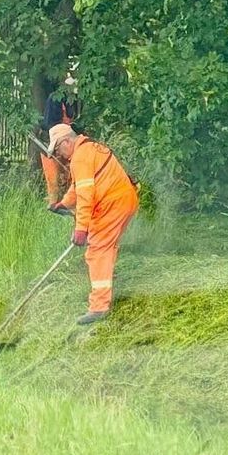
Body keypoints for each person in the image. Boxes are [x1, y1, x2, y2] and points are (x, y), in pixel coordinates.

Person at [46, 124, 139, 325]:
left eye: (58, 150)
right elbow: (78, 186)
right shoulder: (88, 148)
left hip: (112, 204)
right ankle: (103, 291)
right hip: (124, 200)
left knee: (97, 250)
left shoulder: (80, 157)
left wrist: (81, 229)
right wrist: (64, 204)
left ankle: (99, 307)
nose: (59, 155)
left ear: (66, 142)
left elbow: (86, 196)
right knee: (105, 247)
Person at [39, 78, 79, 207]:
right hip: (52, 141)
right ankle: (53, 205)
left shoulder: (75, 100)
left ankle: (69, 203)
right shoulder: (54, 98)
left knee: (71, 174)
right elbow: (49, 123)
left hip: (68, 141)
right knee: (53, 178)